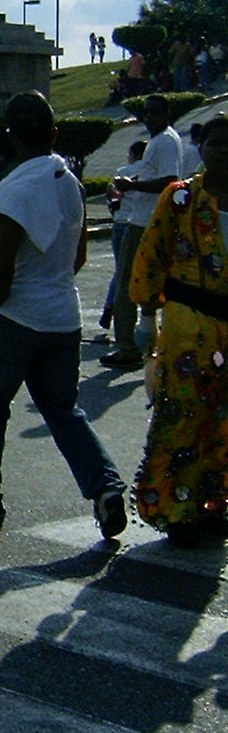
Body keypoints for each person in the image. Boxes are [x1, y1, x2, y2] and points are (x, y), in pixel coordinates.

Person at [0, 91, 127, 537]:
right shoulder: (71, 183)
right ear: (54, 133)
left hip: (19, 315)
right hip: (65, 315)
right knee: (63, 410)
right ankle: (104, 485)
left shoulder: (16, 190)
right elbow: (79, 256)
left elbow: (4, 266)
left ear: (11, 137)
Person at [129, 113, 228, 544]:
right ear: (201, 149)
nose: (221, 151)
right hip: (189, 322)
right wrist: (146, 315)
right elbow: (153, 253)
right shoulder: (181, 198)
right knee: (185, 414)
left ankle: (214, 505)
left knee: (222, 418)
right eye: (213, 143)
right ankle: (176, 507)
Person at [101, 94, 183, 369]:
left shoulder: (165, 141)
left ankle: (128, 347)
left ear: (166, 113)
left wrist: (132, 187)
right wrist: (132, 183)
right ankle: (148, 342)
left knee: (126, 282)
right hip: (146, 217)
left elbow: (171, 180)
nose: (148, 117)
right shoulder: (161, 140)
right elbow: (156, 176)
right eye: (145, 112)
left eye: (154, 112)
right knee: (147, 285)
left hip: (145, 222)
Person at [97, 139, 145, 334]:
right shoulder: (150, 172)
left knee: (121, 270)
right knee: (131, 271)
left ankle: (110, 308)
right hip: (138, 222)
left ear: (134, 154)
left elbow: (113, 197)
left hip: (120, 223)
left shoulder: (122, 171)